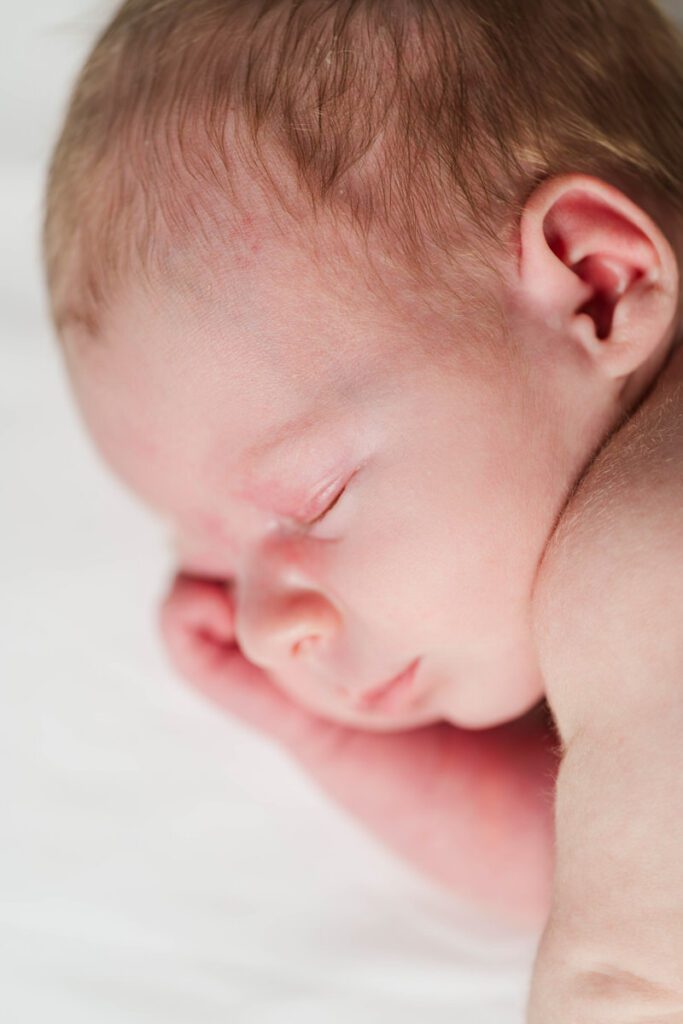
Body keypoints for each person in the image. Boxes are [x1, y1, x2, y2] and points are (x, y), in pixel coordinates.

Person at [43, 1, 683, 1017]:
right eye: (216, 559)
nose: (264, 628)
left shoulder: (636, 561)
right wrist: (334, 742)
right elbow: (589, 870)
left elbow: (627, 976)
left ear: (596, 291)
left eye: (308, 504)